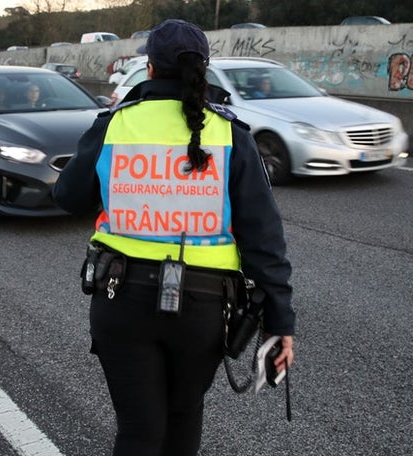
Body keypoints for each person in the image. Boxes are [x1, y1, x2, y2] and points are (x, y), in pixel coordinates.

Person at [52, 19, 295, 455]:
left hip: (120, 299)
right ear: (204, 69)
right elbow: (264, 239)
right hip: (202, 310)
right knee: (183, 419)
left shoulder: (115, 124)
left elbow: (68, 196)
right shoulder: (230, 134)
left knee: (139, 432)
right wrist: (281, 323)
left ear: (149, 68)